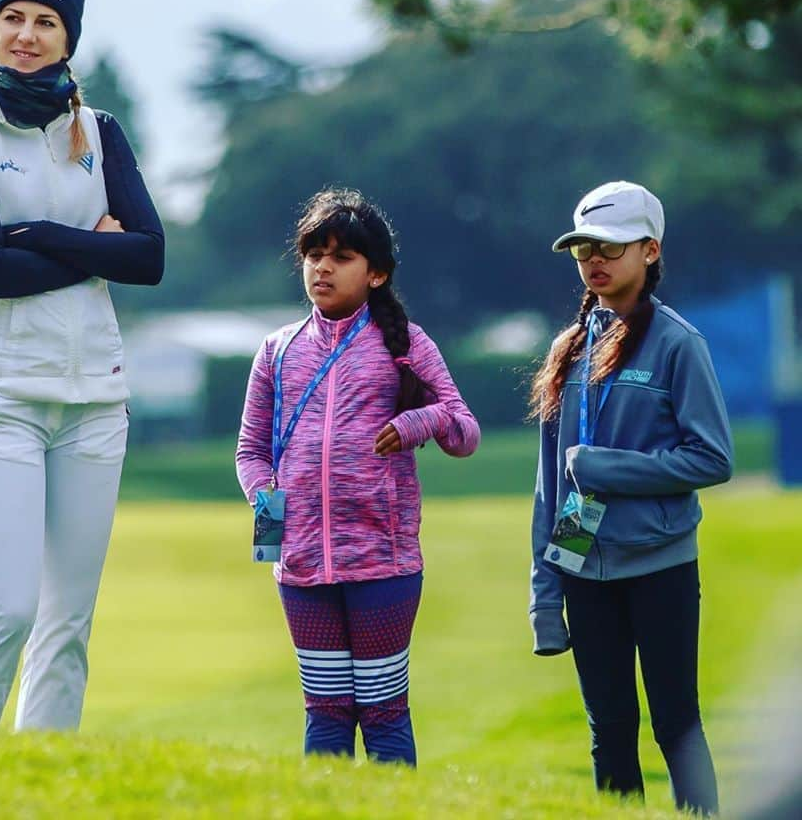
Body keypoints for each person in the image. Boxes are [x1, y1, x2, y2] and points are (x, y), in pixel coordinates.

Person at [0, 0, 164, 730]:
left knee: (67, 627)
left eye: (47, 20)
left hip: (94, 402)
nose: (28, 33)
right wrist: (90, 245)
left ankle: (34, 795)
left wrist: (37, 236)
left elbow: (150, 255)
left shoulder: (100, 130)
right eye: (13, 18)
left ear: (69, 38)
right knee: (6, 610)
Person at [235, 188, 480, 765]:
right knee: (324, 711)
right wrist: (265, 497)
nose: (322, 266)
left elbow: (464, 433)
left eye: (342, 257)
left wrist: (421, 420)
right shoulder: (276, 349)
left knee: (383, 710)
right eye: (314, 253)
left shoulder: (407, 344)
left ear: (376, 274)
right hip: (300, 568)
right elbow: (250, 448)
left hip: (383, 565)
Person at [528, 180, 732, 815]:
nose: (595, 258)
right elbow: (548, 486)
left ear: (650, 250)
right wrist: (544, 595)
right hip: (582, 569)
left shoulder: (678, 343)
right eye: (584, 247)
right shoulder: (568, 349)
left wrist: (609, 468)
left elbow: (713, 457)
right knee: (608, 733)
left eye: (611, 246)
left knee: (677, 726)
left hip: (661, 567)